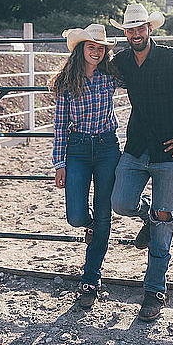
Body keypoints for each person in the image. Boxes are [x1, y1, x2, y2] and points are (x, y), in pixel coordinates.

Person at [110, 3, 173, 322]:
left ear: (150, 29)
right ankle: (147, 217)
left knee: (165, 219)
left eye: (140, 28)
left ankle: (155, 289)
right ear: (125, 33)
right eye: (130, 29)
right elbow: (93, 71)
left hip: (170, 152)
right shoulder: (123, 61)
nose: (135, 34)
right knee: (121, 202)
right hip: (137, 147)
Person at [51, 23, 122, 309]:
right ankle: (91, 227)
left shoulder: (111, 77)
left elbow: (145, 82)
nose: (96, 51)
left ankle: (91, 278)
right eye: (91, 46)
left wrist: (172, 88)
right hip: (77, 149)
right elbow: (59, 124)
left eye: (100, 48)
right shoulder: (66, 82)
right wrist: (59, 162)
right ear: (81, 49)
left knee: (104, 213)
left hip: (107, 147)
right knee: (75, 215)